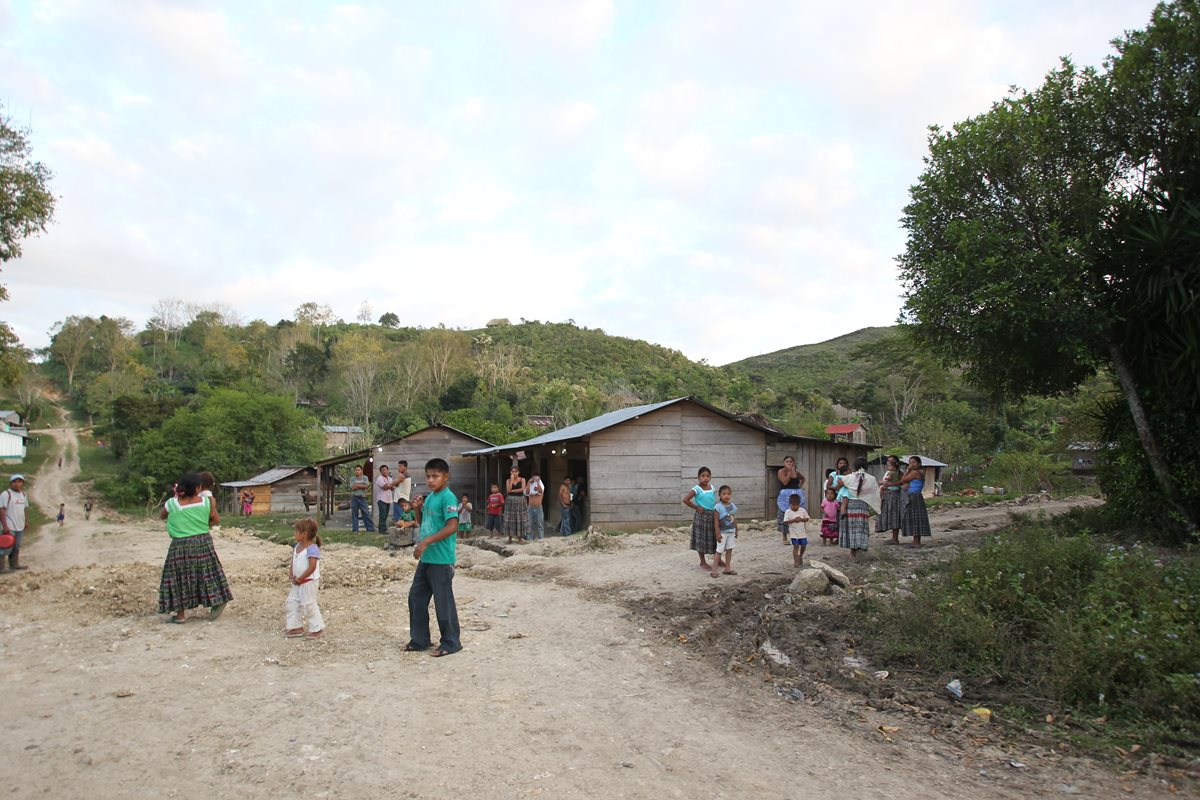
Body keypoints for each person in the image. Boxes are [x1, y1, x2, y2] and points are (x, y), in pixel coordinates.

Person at [404, 458, 462, 657]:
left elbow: (452, 526)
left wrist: (426, 542)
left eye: (435, 476)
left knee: (443, 602)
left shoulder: (448, 498)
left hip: (441, 559)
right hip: (427, 559)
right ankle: (420, 640)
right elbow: (423, 522)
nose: (430, 480)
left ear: (446, 477)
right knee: (416, 598)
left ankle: (451, 642)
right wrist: (417, 508)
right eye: (428, 476)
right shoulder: (430, 497)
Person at [158, 472, 233, 622]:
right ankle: (217, 601)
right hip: (202, 541)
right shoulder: (206, 502)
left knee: (178, 577)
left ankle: (180, 615)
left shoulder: (172, 503)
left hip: (179, 545)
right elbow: (216, 519)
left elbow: (162, 515)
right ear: (198, 488)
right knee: (208, 573)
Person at [285, 518, 324, 639]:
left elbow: (312, 567)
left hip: (308, 582)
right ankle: (295, 626)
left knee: (309, 605)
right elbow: (294, 561)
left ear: (304, 534)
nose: (294, 534)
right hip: (297, 581)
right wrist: (291, 573)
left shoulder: (312, 549)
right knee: (292, 603)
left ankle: (317, 627)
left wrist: (301, 578)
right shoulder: (297, 546)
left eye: (296, 531)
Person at [837, 457, 880, 558]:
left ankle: (853, 552)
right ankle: (861, 546)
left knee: (852, 528)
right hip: (863, 506)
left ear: (854, 466)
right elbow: (874, 493)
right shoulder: (871, 479)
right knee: (861, 528)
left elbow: (840, 483)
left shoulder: (849, 477)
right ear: (866, 467)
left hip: (851, 505)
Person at [682, 467, 719, 575]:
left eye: (708, 476)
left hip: (712, 516)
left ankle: (717, 559)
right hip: (702, 517)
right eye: (703, 476)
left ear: (710, 477)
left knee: (714, 538)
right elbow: (685, 500)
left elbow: (712, 500)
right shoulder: (696, 489)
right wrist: (696, 507)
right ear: (698, 477)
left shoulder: (712, 488)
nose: (705, 478)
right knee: (701, 539)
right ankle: (702, 562)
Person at [900, 456, 932, 548]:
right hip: (915, 496)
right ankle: (915, 541)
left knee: (915, 518)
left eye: (913, 462)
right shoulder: (920, 472)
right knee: (915, 518)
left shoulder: (916, 472)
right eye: (910, 463)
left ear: (919, 463)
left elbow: (904, 479)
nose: (911, 464)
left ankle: (916, 542)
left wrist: (907, 470)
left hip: (914, 497)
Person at [0, 475, 30, 572]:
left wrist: (26, 521)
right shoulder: (6, 494)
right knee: (5, 546)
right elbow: (2, 510)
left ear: (22, 483)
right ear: (11, 483)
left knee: (16, 546)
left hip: (20, 525)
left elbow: (25, 509)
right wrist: (4, 525)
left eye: (19, 481)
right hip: (9, 526)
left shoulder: (23, 494)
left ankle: (14, 564)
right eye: (15, 481)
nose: (17, 484)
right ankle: (1, 567)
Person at [775, 456, 807, 545]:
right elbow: (785, 482)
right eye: (787, 461)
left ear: (793, 463)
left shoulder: (796, 472)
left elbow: (803, 478)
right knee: (785, 514)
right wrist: (789, 472)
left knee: (798, 513)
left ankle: (798, 535)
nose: (789, 463)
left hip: (796, 494)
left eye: (791, 461)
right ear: (784, 463)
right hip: (785, 496)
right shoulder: (781, 471)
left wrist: (799, 487)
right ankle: (784, 536)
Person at [876, 455, 904, 545]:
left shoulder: (898, 472)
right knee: (891, 515)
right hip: (887, 494)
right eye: (888, 461)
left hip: (894, 494)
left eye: (891, 461)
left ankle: (895, 538)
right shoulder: (889, 472)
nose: (888, 462)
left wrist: (890, 484)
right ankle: (893, 537)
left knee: (894, 515)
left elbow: (901, 481)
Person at [714, 485, 738, 576]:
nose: (726, 496)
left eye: (728, 494)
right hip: (722, 533)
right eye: (724, 494)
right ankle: (714, 570)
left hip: (731, 532)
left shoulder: (732, 506)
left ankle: (727, 568)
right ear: (719, 495)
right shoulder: (718, 506)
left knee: (729, 550)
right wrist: (717, 532)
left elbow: (733, 518)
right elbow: (716, 520)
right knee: (719, 551)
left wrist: (736, 529)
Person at [783, 493, 811, 566]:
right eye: (793, 505)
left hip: (802, 532)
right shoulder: (788, 512)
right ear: (790, 504)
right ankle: (795, 561)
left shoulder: (802, 510)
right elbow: (785, 522)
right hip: (793, 533)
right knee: (796, 546)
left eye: (797, 505)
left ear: (799, 504)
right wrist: (793, 520)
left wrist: (801, 519)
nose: (795, 507)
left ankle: (800, 556)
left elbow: (807, 518)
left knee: (804, 546)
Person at [503, 466, 528, 544]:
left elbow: (523, 489)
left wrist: (512, 490)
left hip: (520, 500)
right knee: (510, 518)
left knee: (520, 518)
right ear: (510, 472)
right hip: (510, 501)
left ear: (518, 472)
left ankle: (520, 538)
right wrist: (512, 480)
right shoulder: (508, 480)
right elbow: (508, 490)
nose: (514, 473)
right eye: (512, 471)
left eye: (515, 471)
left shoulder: (522, 479)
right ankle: (510, 538)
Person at [349, 465, 374, 533]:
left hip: (362, 498)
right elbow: (353, 487)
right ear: (355, 471)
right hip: (355, 498)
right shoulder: (352, 478)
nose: (357, 471)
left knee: (366, 513)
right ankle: (355, 529)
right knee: (354, 514)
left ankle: (370, 529)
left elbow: (366, 486)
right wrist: (362, 486)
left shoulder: (365, 478)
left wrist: (357, 485)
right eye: (356, 470)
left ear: (361, 471)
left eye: (359, 470)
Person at [374, 464, 396, 534]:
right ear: (380, 472)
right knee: (383, 515)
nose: (384, 471)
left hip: (388, 499)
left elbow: (393, 488)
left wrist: (390, 485)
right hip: (381, 499)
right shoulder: (379, 479)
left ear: (388, 470)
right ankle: (383, 530)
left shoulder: (389, 478)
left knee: (385, 515)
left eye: (385, 470)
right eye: (382, 470)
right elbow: (385, 487)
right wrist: (390, 485)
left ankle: (381, 529)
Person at [525, 471, 545, 541]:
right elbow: (527, 493)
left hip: (538, 507)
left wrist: (537, 482)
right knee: (529, 524)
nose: (535, 478)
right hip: (530, 507)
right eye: (534, 477)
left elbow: (540, 491)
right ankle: (530, 538)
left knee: (540, 524)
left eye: (536, 477)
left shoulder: (541, 485)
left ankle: (541, 538)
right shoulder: (530, 484)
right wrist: (528, 482)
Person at [391, 461, 413, 526]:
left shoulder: (403, 475)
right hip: (401, 498)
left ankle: (401, 532)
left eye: (401, 466)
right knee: (402, 517)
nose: (399, 468)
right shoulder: (404, 475)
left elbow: (393, 483)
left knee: (400, 518)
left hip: (400, 499)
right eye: (398, 466)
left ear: (405, 468)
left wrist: (393, 483)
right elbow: (396, 484)